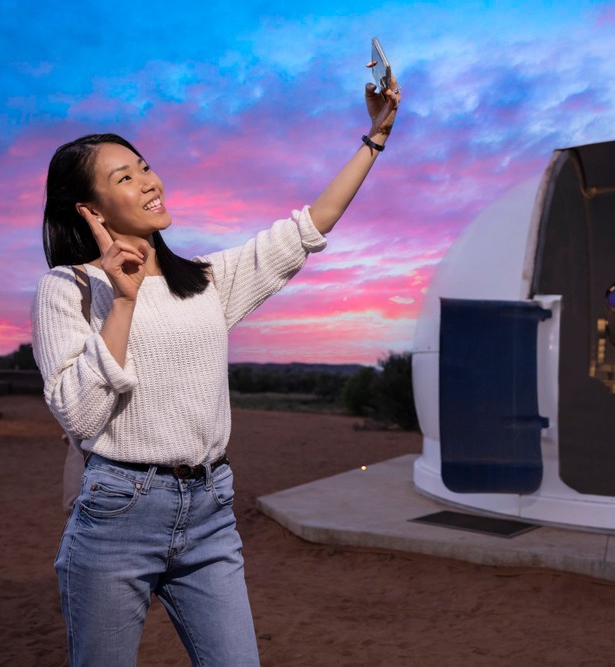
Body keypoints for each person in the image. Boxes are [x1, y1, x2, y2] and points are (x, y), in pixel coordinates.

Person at [31, 72, 400, 665]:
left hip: (210, 511)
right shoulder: (67, 289)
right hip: (118, 514)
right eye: (123, 177)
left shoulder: (204, 280)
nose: (148, 181)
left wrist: (375, 137)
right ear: (90, 209)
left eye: (144, 165)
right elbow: (79, 414)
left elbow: (308, 228)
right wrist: (122, 302)